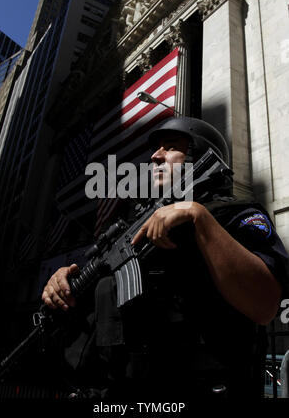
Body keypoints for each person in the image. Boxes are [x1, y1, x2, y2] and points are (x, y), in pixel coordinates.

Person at [42, 116, 289, 400]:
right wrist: (63, 283)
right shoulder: (137, 222)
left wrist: (199, 217)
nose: (156, 156)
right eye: (156, 149)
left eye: (171, 147)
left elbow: (265, 305)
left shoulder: (235, 214)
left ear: (200, 156)